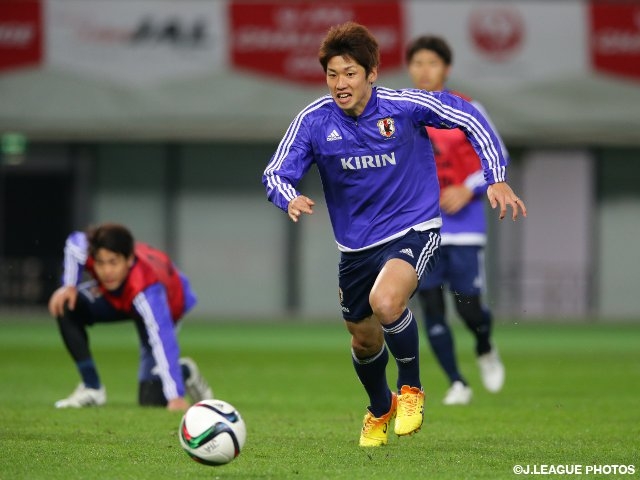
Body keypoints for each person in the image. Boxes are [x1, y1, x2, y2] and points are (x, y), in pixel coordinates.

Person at [262, 22, 526, 447]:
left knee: (386, 302)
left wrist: (493, 177)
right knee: (363, 340)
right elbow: (276, 172)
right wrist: (288, 197)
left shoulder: (404, 106)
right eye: (333, 74)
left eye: (350, 73)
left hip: (414, 226)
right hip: (355, 247)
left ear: (372, 73)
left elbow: (469, 116)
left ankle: (411, 389)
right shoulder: (313, 121)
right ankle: (379, 406)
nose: (340, 83)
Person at [406, 35, 508, 405]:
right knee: (431, 307)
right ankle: (457, 383)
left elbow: (496, 155)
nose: (424, 70)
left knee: (468, 308)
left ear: (446, 69)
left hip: (464, 229)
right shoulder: (398, 111)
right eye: (417, 63)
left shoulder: (466, 107)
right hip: (419, 230)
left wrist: (467, 187)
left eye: (432, 63)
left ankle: (484, 345)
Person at [48, 222, 213, 411]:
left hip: (167, 305)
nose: (106, 271)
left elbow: (163, 339)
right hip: (116, 296)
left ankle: (185, 372)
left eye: (113, 262)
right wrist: (69, 285)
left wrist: (175, 395)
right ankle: (92, 388)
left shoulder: (148, 290)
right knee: (67, 305)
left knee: (150, 397)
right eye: (100, 263)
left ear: (129, 260)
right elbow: (74, 243)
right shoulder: (89, 249)